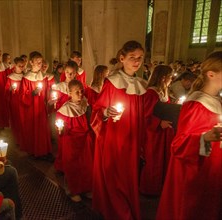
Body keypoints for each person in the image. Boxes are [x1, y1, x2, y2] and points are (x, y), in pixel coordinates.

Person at [156, 51, 222, 220]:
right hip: (194, 173)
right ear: (211, 74)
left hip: (212, 169)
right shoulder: (196, 104)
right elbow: (179, 145)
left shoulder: (216, 101)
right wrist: (205, 138)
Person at [91, 40, 147, 220]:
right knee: (116, 177)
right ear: (122, 58)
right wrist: (106, 112)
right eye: (132, 57)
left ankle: (127, 208)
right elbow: (97, 110)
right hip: (114, 139)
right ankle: (119, 213)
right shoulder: (112, 82)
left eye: (139, 57)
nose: (136, 61)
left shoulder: (140, 84)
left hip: (132, 139)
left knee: (128, 177)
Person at [56, 80, 94, 202]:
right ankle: (72, 190)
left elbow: (90, 120)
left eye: (81, 91)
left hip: (85, 140)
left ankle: (86, 188)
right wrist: (60, 129)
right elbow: (60, 129)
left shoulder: (85, 103)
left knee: (86, 165)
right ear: (70, 93)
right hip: (71, 141)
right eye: (76, 92)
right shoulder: (64, 109)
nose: (80, 94)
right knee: (72, 167)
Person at [139, 65, 175, 196]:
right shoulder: (151, 93)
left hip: (164, 132)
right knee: (154, 162)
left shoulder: (163, 91)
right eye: (170, 77)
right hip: (154, 134)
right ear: (163, 78)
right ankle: (149, 189)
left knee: (163, 160)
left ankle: (160, 187)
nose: (172, 80)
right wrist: (159, 123)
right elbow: (144, 115)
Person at [19, 51, 53, 160]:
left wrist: (50, 99)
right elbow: (22, 95)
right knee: (33, 129)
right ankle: (35, 151)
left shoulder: (43, 76)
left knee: (43, 129)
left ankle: (44, 151)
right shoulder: (26, 78)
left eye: (41, 61)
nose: (40, 64)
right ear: (31, 62)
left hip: (41, 107)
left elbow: (47, 91)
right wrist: (32, 93)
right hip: (31, 108)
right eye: (37, 61)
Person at [5, 57, 25, 148]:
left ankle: (25, 138)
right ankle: (17, 139)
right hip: (14, 102)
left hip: (24, 101)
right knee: (16, 120)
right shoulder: (10, 77)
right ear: (15, 66)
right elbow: (6, 90)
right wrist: (10, 89)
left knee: (24, 121)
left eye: (22, 66)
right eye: (19, 66)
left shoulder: (26, 76)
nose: (21, 67)